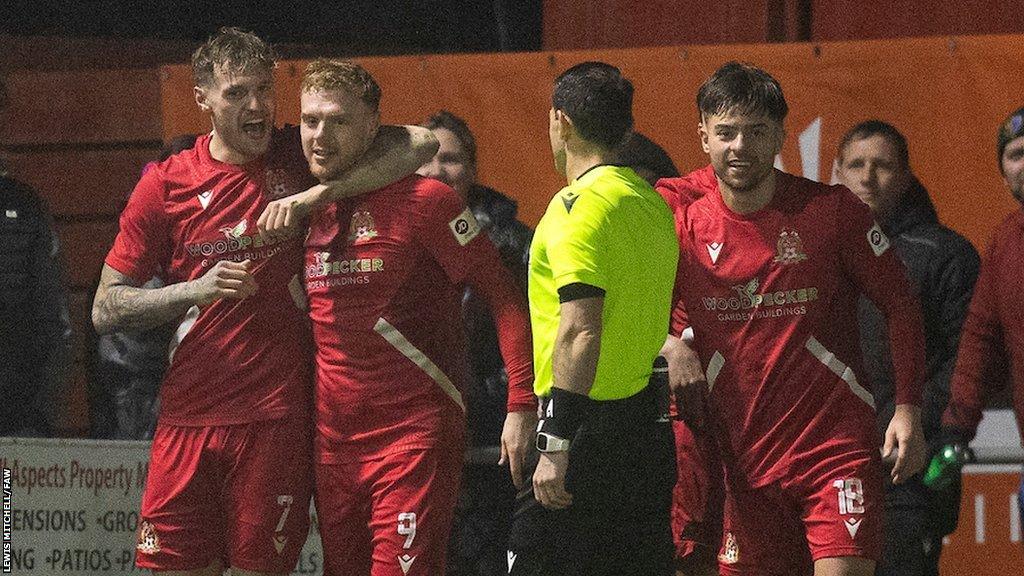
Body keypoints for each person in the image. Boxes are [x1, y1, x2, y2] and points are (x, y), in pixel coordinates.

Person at [92, 28, 437, 576]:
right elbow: (105, 309)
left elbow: (422, 142)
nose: (256, 106)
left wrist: (318, 194)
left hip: (276, 420)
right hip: (187, 418)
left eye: (263, 90)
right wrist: (195, 290)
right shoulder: (165, 185)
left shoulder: (297, 155)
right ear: (202, 97)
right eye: (236, 93)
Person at [657, 62, 928, 576]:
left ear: (781, 134)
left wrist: (908, 409)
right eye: (725, 133)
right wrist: (669, 346)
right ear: (703, 136)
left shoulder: (832, 212)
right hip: (744, 464)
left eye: (756, 132)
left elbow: (902, 303)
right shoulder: (680, 222)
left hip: (834, 452)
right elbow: (634, 311)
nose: (740, 147)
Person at [296, 59, 534, 576]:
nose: (319, 135)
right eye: (310, 121)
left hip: (414, 434)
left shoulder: (428, 201)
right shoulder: (302, 203)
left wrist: (521, 403)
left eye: (336, 120)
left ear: (372, 125)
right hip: (334, 443)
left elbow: (505, 299)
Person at [507, 61, 680, 576]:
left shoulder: (575, 209)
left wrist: (555, 444)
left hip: (582, 433)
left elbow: (581, 328)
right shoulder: (651, 204)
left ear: (559, 121)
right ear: (626, 131)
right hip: (644, 434)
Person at [834, 120, 980, 576]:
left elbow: (966, 359)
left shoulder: (945, 254)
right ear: (836, 172)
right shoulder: (815, 252)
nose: (867, 177)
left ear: (906, 174)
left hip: (910, 464)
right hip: (832, 460)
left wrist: (913, 419)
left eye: (882, 165)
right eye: (855, 165)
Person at [415, 110, 533, 576]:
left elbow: (535, 332)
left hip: (494, 437)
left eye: (452, 158)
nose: (437, 170)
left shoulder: (515, 243)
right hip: (417, 433)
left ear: (474, 169)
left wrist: (488, 401)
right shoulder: (388, 237)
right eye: (425, 158)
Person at [942, 104, 1024, 546]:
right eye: (1015, 154)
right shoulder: (1004, 243)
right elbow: (981, 341)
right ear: (1003, 173)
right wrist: (957, 425)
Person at [87, 134, 198, 441]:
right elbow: (129, 369)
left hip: (158, 418)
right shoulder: (141, 270)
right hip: (144, 428)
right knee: (8, 489)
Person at [0, 159, 74, 437]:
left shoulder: (24, 207)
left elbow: (55, 324)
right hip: (18, 406)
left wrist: (40, 415)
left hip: (14, 410)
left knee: (5, 480)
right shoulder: (24, 207)